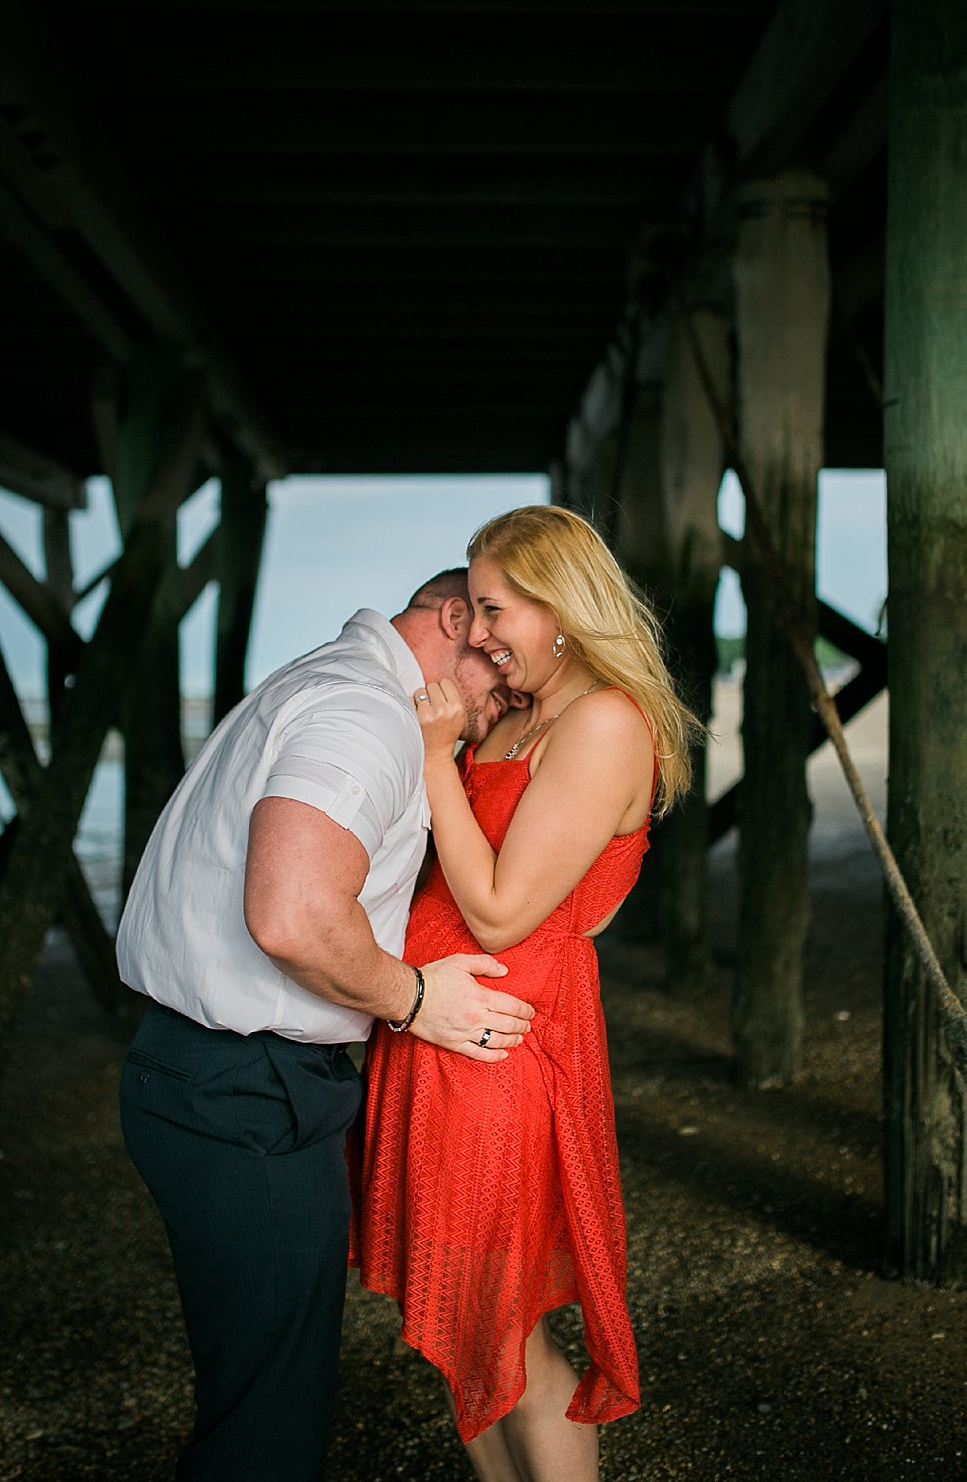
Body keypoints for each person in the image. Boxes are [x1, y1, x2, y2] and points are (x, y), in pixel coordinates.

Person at [117, 573, 537, 1482]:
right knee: (270, 1409)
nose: (510, 693)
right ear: (453, 617)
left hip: (206, 1072)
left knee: (260, 1376)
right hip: (243, 1088)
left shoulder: (328, 682)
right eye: (499, 664)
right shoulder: (363, 713)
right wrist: (419, 1000)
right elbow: (296, 916)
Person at [353, 504, 699, 1482]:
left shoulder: (600, 723)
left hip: (498, 1052)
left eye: (494, 607)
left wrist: (432, 761)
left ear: (559, 607)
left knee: (504, 1334)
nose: (480, 630)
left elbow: (503, 913)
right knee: (464, 1329)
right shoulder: (527, 714)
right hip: (436, 1033)